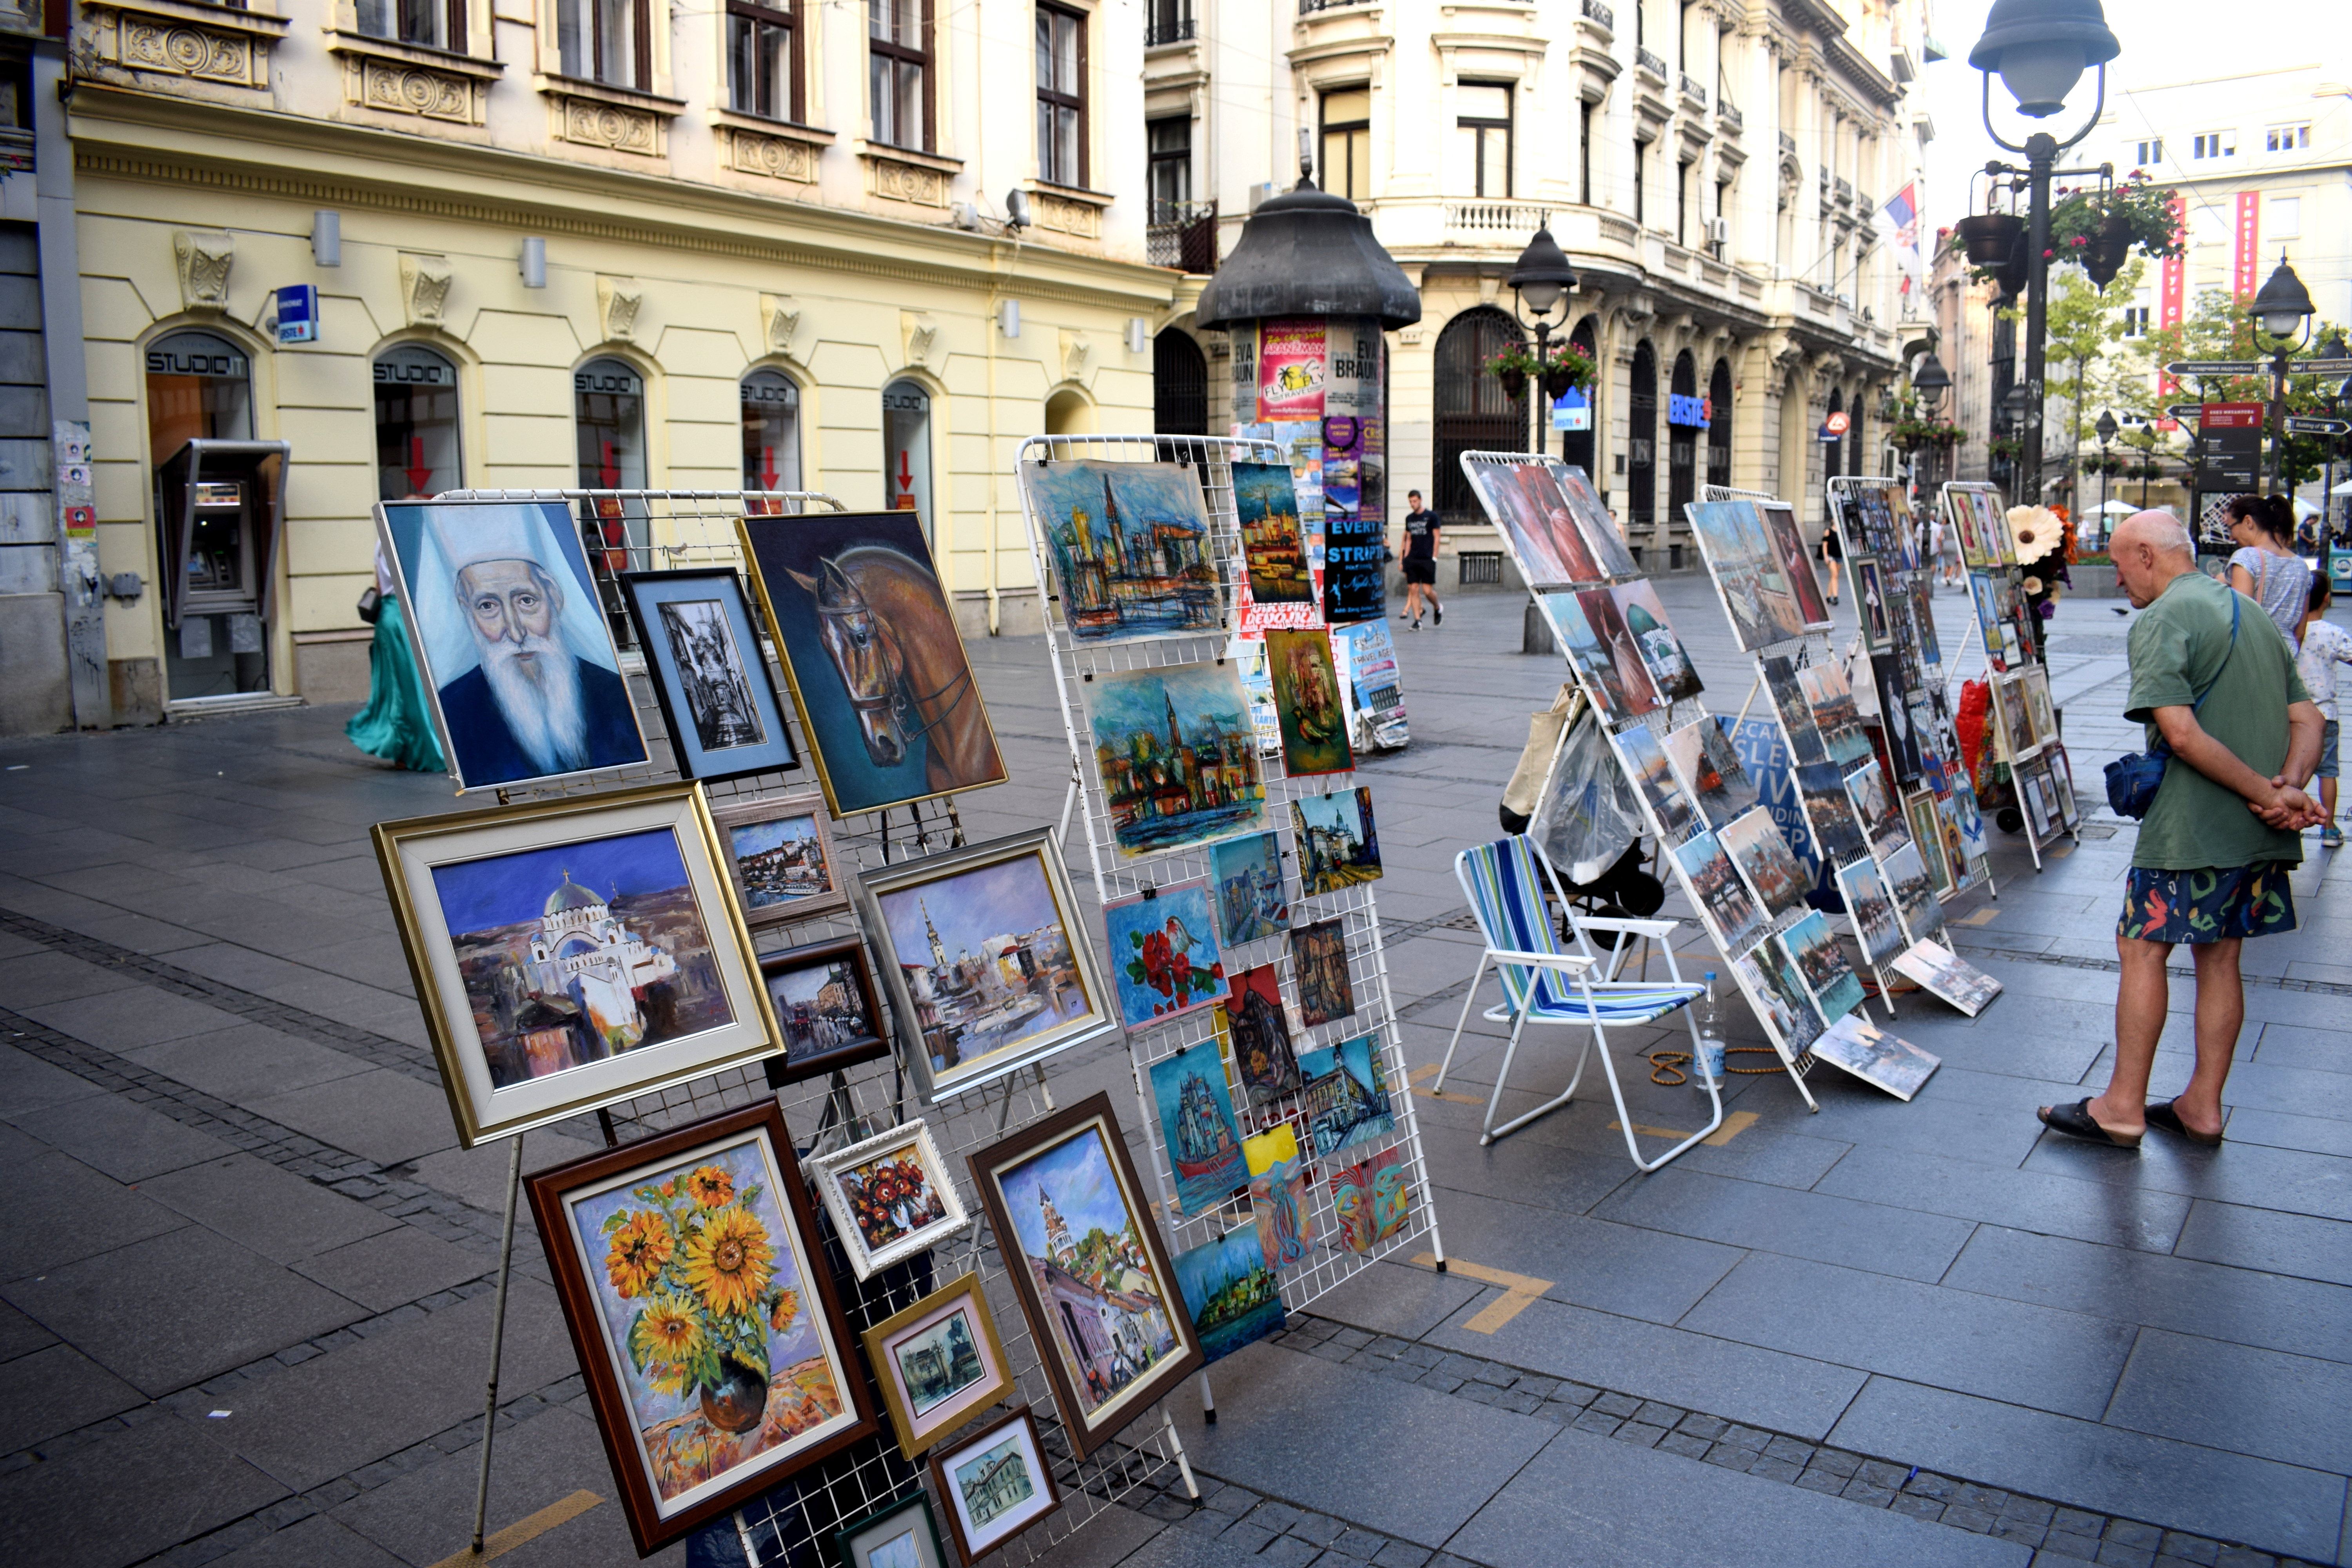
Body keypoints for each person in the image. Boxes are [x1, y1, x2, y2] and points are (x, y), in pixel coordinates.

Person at [2037, 510, 2323, 1149]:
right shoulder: (2254, 617)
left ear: (2145, 554)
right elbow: (2309, 721)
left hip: (2191, 828)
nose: (2116, 580)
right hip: (2256, 836)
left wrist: (2260, 794)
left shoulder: (2164, 618)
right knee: (2221, 958)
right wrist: (2286, 792)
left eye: (2116, 564)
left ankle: (2121, 1107)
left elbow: (2182, 735)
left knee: (2142, 948)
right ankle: (2203, 1105)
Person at [426, 509, 643, 784]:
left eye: (527, 601)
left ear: (553, 596)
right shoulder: (454, 708)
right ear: (468, 613)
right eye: (488, 606)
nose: (516, 632)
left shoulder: (613, 693)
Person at [345, 544, 447, 773]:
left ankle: (404, 751)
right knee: (411, 689)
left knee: (401, 689)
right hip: (403, 617)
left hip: (391, 616)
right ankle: (422, 750)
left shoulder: (381, 543)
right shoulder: (402, 537)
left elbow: (380, 587)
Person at [2298, 573, 2352, 849]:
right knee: (2328, 773)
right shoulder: (2332, 633)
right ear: (2327, 599)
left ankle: (2290, 822)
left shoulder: (2290, 630)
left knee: (2292, 770)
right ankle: (2329, 829)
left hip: (2294, 716)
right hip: (2325, 716)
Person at [2226, 493, 2312, 648]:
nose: (2231, 537)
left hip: (2257, 655)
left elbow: (2240, 620)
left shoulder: (2247, 557)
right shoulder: (2302, 567)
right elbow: (2300, 632)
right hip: (2288, 658)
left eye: (2230, 527)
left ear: (2248, 522)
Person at [1400, 488, 1443, 629]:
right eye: (1411, 502)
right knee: (1413, 589)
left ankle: (1437, 607)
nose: (1413, 504)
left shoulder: (1431, 516)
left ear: (1420, 500)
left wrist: (1434, 557)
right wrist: (1405, 558)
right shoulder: (1409, 518)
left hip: (1427, 558)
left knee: (1428, 591)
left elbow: (1437, 537)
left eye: (1415, 501)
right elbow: (1408, 539)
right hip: (1413, 558)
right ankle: (1418, 621)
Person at [1818, 518, 1843, 606]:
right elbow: (1825, 545)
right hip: (1831, 556)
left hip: (1840, 556)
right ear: (1833, 520)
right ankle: (1836, 597)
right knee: (1835, 575)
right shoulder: (1828, 531)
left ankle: (1828, 597)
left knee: (1833, 577)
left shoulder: (1842, 532)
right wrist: (1826, 556)